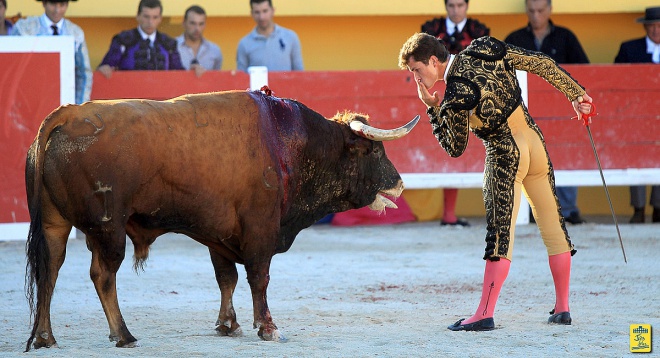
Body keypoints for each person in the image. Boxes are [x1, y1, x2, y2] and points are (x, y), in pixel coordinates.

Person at [398, 32, 593, 331]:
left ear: (434, 61)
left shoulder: (455, 93)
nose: (416, 78)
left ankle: (484, 313)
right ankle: (563, 308)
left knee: (500, 235)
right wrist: (577, 94)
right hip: (534, 142)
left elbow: (454, 148)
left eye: (416, 70)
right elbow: (540, 63)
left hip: (505, 154)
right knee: (554, 225)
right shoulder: (484, 47)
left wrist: (432, 108)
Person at [504, 0, 589, 224]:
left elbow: (584, 69)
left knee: (564, 152)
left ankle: (568, 210)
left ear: (550, 10)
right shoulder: (515, 39)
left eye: (541, 11)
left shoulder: (565, 37)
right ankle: (533, 210)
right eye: (531, 11)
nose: (536, 15)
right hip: (523, 109)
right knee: (528, 157)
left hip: (561, 109)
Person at [421, 0, 490, 226]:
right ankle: (449, 214)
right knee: (449, 145)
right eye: (451, 5)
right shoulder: (429, 31)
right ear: (446, 6)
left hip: (471, 96)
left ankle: (451, 213)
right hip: (440, 94)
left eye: (460, 5)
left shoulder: (480, 33)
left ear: (466, 6)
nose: (456, 10)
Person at [614, 6, 660, 224]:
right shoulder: (630, 49)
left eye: (659, 26)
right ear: (645, 27)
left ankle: (659, 207)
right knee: (637, 158)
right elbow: (616, 79)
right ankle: (639, 208)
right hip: (636, 115)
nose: (656, 30)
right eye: (651, 25)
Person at [11, 0, 92, 104]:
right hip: (29, 100)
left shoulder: (75, 33)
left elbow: (83, 73)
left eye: (62, 5)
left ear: (67, 5)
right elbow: (13, 69)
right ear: (44, 3)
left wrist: (80, 106)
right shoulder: (24, 28)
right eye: (53, 4)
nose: (57, 10)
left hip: (65, 99)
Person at [98, 0, 183, 78]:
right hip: (130, 91)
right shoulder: (122, 40)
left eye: (155, 17)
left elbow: (179, 72)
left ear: (160, 19)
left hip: (162, 92)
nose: (150, 22)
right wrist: (105, 68)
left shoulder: (169, 43)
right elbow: (106, 66)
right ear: (138, 16)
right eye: (146, 17)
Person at [236, 0, 303, 72]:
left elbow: (299, 74)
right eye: (257, 12)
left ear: (272, 11)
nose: (261, 17)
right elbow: (241, 78)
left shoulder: (290, 37)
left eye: (265, 11)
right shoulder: (244, 44)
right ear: (252, 14)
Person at [176, 5, 222, 78]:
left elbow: (217, 80)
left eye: (201, 24)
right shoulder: (171, 47)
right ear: (184, 23)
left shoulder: (214, 50)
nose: (197, 28)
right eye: (193, 23)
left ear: (205, 25)